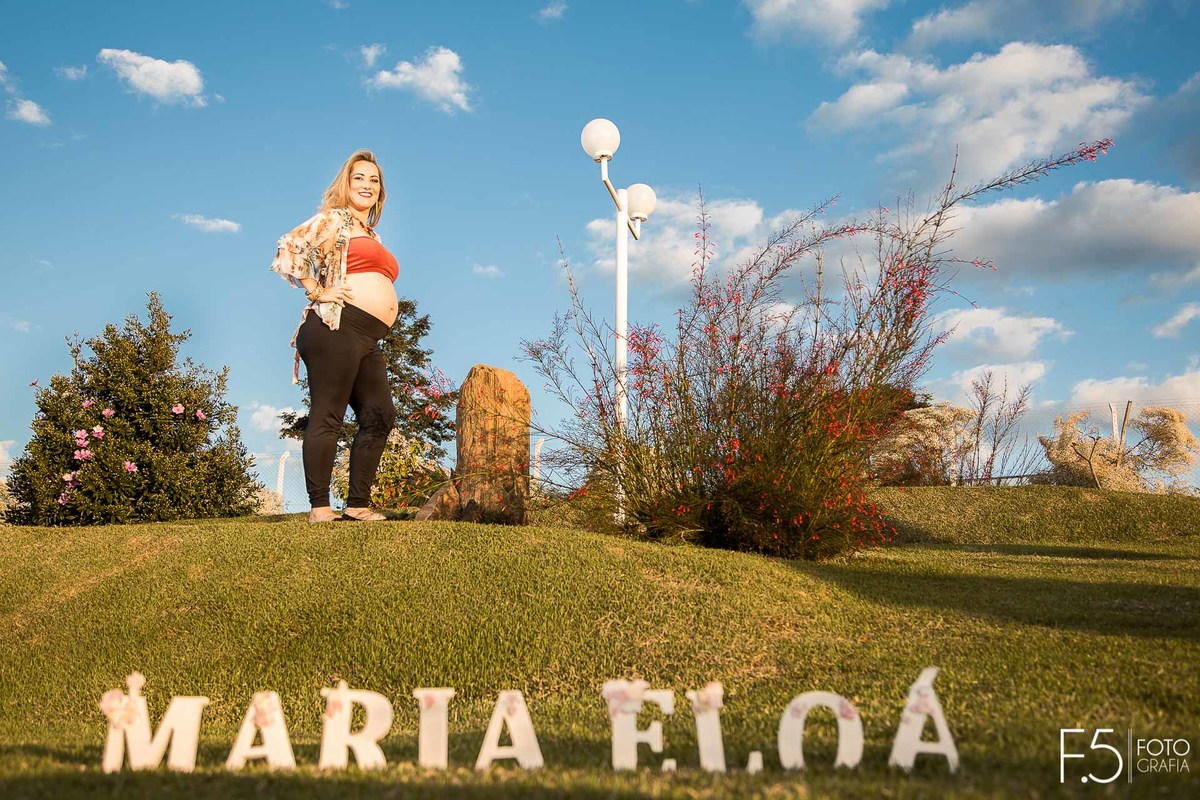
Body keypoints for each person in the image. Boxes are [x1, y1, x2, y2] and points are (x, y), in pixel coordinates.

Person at [270, 149, 401, 522]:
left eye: (373, 180)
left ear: (380, 192)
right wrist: (316, 289)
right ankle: (320, 507)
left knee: (380, 415)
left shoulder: (369, 233)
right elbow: (290, 246)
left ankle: (358, 505)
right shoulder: (336, 221)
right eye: (359, 177)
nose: (367, 185)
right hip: (336, 325)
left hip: (366, 335)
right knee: (329, 413)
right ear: (346, 184)